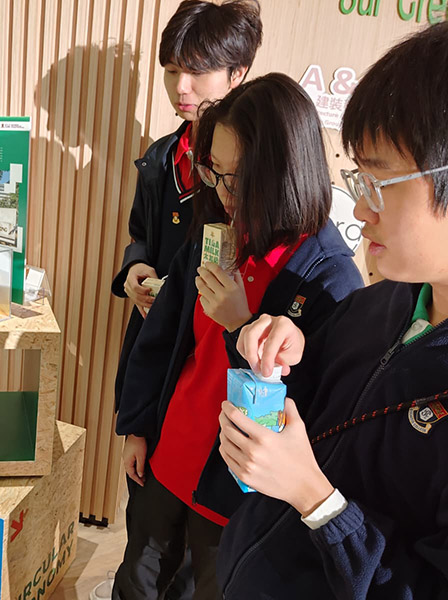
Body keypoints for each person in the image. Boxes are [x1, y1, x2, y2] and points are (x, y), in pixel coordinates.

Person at [214, 22, 448, 599]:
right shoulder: (381, 301)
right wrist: (285, 353)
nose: (361, 210)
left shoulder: (335, 270)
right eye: (358, 180)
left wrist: (317, 501)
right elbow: (320, 405)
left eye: (381, 183)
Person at [113, 73, 364, 600]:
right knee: (137, 581)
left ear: (286, 172)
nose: (224, 193)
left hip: (235, 494)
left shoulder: (328, 277)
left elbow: (309, 410)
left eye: (239, 178)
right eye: (215, 172)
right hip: (168, 456)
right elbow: (161, 338)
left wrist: (240, 324)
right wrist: (136, 425)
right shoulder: (216, 233)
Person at [111, 0, 262, 413]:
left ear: (237, 73)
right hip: (153, 340)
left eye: (198, 71)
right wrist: (135, 267)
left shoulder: (255, 171)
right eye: (172, 70)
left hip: (212, 347)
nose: (181, 87)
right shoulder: (159, 157)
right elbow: (141, 234)